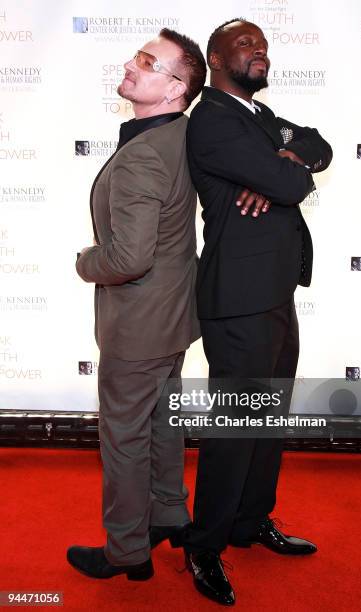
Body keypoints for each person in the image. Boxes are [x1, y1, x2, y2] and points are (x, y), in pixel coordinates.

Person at [183, 18, 333, 605]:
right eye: (246, 45)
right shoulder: (212, 122)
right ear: (216, 59)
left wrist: (288, 156)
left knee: (268, 421)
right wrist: (280, 174)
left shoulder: (260, 119)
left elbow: (319, 143)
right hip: (238, 298)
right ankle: (205, 544)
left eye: (263, 45)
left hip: (273, 291)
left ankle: (250, 523)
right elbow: (290, 184)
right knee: (235, 428)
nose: (259, 52)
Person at [67, 29, 206, 582]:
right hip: (174, 318)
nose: (131, 64)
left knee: (124, 438)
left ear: (176, 88)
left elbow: (127, 257)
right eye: (138, 55)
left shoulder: (144, 156)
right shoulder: (181, 135)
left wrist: (84, 262)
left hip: (139, 325)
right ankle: (169, 513)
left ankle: (127, 550)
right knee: (162, 423)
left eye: (148, 61)